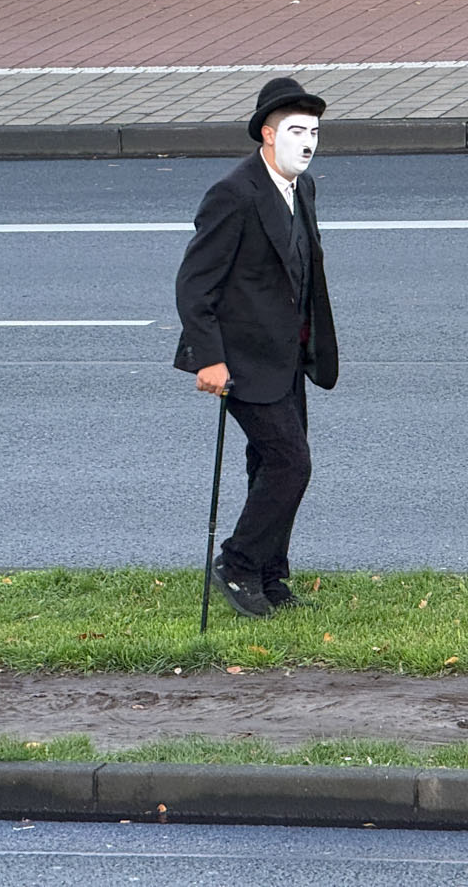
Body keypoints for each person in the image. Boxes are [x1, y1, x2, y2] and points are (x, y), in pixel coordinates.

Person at [174, 76, 339, 618]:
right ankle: (238, 563)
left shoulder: (303, 188)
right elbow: (196, 284)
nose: (308, 142)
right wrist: (210, 359)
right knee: (292, 463)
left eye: (314, 131)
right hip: (240, 357)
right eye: (295, 131)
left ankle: (271, 575)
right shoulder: (234, 194)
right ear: (267, 136)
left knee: (268, 465)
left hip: (288, 356)